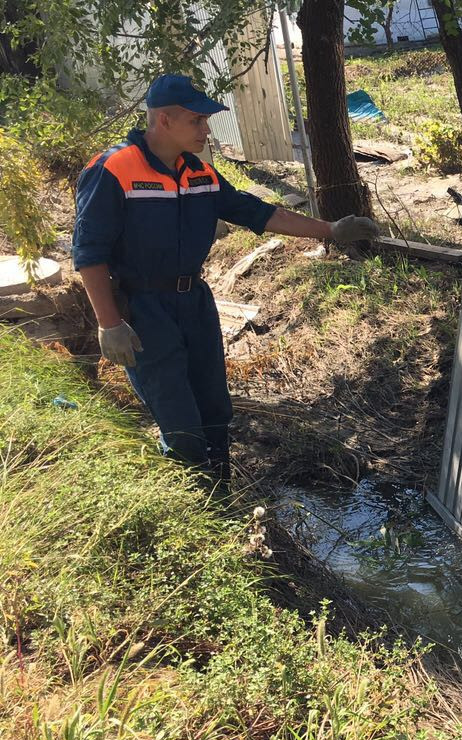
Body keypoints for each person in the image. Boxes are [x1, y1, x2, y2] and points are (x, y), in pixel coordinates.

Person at [73, 73, 381, 484]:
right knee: (179, 420)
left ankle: (220, 485)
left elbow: (256, 211)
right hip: (144, 309)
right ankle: (197, 499)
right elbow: (89, 252)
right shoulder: (113, 170)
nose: (206, 129)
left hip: (194, 302)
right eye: (196, 121)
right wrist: (110, 324)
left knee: (215, 409)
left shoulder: (198, 172)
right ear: (164, 121)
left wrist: (330, 230)